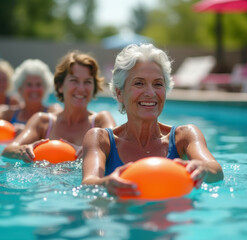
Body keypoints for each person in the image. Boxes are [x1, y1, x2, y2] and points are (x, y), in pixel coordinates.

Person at [81, 43, 224, 197]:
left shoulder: (184, 136)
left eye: (158, 84)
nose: (150, 92)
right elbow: (89, 182)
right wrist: (106, 183)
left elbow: (216, 171)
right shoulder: (101, 140)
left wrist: (202, 169)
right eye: (139, 83)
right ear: (120, 93)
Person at [2, 50, 116, 162]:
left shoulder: (100, 121)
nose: (81, 88)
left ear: (94, 87)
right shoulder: (42, 122)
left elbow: (117, 148)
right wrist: (23, 151)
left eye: (87, 82)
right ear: (60, 86)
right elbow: (8, 150)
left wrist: (91, 151)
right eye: (74, 80)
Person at [0, 59, 62, 134]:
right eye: (29, 85)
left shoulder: (53, 111)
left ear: (45, 88)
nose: (34, 89)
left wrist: (26, 130)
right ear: (20, 88)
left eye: (38, 84)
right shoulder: (8, 112)